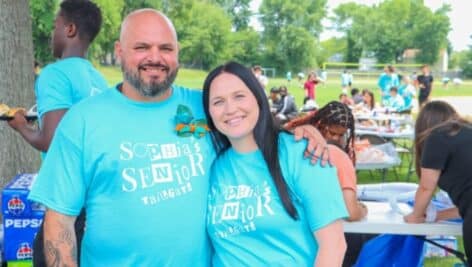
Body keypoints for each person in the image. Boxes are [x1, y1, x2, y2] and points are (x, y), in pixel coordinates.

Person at [28, 9, 327, 266]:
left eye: (166, 48)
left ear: (178, 53)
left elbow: (255, 127)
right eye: (142, 47)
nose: (155, 58)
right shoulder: (83, 120)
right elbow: (60, 220)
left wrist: (300, 132)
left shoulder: (208, 107)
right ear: (119, 51)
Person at [203, 61, 347, 266]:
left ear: (258, 98)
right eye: (218, 102)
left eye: (239, 96)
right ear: (208, 112)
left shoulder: (303, 152)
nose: (230, 109)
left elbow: (334, 245)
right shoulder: (212, 166)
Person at [8, 1, 107, 266]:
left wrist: (21, 126)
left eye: (56, 26)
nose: (53, 34)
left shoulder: (54, 74)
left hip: (66, 205)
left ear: (70, 29)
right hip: (96, 201)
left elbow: (51, 140)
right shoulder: (99, 79)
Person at [285, 101, 370, 266]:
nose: (337, 139)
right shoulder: (337, 155)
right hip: (320, 239)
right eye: (333, 133)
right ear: (320, 125)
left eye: (341, 135)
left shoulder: (288, 143)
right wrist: (362, 209)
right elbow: (351, 212)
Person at [404, 101, 471, 266]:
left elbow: (426, 187)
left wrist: (416, 215)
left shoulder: (437, 137)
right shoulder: (467, 133)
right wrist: (439, 215)